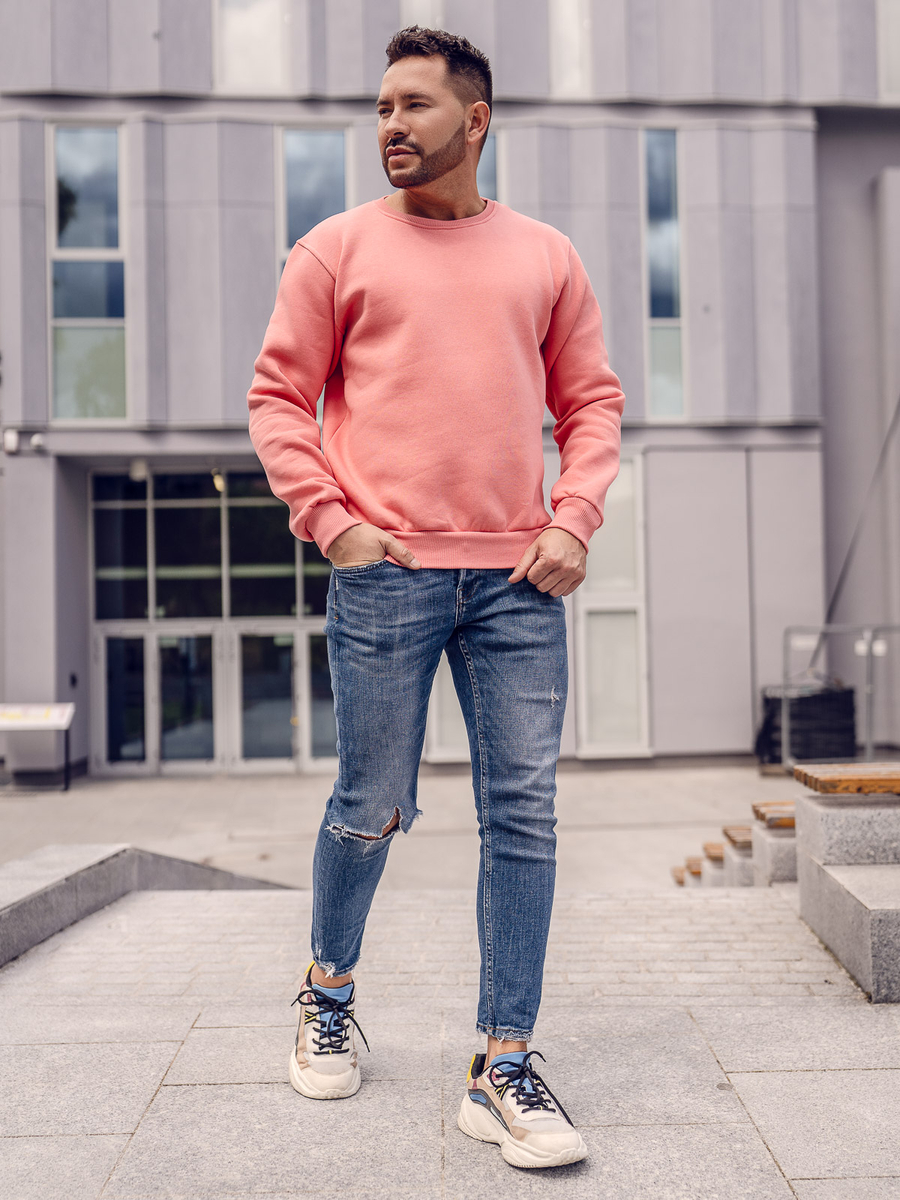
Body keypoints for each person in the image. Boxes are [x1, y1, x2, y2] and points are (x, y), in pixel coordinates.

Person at [247, 25, 624, 1171]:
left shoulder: (546, 256)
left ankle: (503, 1063)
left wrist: (574, 518)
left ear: (477, 118)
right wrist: (335, 524)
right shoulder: (334, 250)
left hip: (518, 581)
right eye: (381, 108)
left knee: (525, 816)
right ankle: (327, 990)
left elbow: (592, 405)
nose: (392, 126)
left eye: (414, 105)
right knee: (371, 802)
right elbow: (277, 399)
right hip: (387, 575)